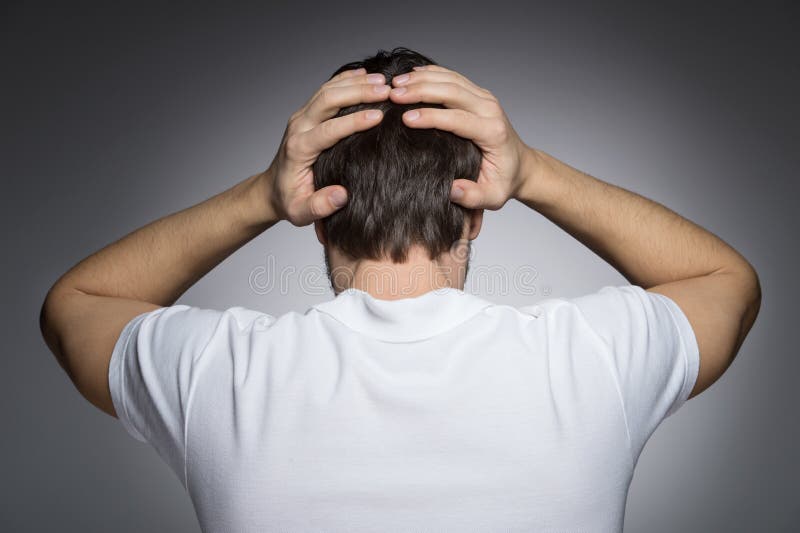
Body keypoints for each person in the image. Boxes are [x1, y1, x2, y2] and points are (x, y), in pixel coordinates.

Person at [39, 47, 761, 532]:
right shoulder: (588, 358)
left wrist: (260, 196)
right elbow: (727, 282)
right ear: (474, 214)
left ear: (318, 220)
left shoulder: (220, 372)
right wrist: (533, 170)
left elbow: (74, 306)